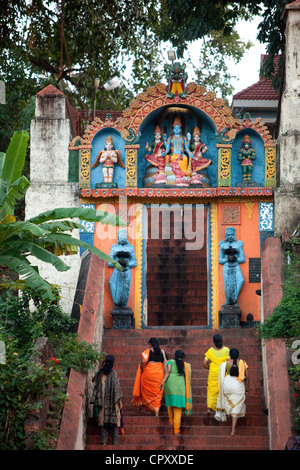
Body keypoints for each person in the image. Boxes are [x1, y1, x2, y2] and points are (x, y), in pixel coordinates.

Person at [214, 348, 249, 436]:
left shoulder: (225, 364)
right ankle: (233, 430)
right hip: (238, 385)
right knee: (236, 407)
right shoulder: (242, 363)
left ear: (230, 355)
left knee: (230, 402)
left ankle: (229, 413)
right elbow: (247, 378)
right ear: (238, 355)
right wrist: (247, 390)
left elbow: (222, 375)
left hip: (227, 385)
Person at [91, 355, 123, 445]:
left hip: (102, 402)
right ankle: (115, 442)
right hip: (113, 402)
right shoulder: (113, 373)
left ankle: (104, 442)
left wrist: (101, 369)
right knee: (115, 421)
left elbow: (93, 380)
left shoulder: (100, 373)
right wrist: (119, 401)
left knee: (103, 421)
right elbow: (117, 388)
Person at [159, 350, 192, 435]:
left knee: (170, 403)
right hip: (180, 387)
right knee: (178, 409)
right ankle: (176, 431)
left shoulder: (170, 361)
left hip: (169, 385)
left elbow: (168, 371)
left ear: (175, 355)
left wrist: (162, 382)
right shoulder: (185, 365)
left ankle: (171, 421)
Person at [132, 337, 167, 416]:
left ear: (150, 344)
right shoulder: (162, 352)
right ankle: (156, 412)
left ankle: (143, 407)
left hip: (148, 374)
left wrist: (142, 368)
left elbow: (143, 361)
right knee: (158, 393)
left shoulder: (148, 351)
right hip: (159, 375)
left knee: (145, 391)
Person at [163, 117, 194, 186]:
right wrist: (164, 153)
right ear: (173, 130)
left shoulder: (183, 138)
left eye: (178, 128)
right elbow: (167, 149)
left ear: (180, 130)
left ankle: (183, 175)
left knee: (185, 158)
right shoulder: (170, 138)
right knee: (166, 158)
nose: (177, 130)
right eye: (175, 128)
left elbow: (186, 148)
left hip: (181, 155)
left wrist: (190, 153)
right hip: (173, 155)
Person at [203, 334, 230, 415]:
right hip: (223, 373)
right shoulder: (226, 350)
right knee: (223, 390)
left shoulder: (210, 351)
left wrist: (210, 368)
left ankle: (209, 409)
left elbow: (204, 363)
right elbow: (229, 362)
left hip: (213, 373)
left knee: (211, 390)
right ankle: (223, 408)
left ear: (213, 342)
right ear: (222, 340)